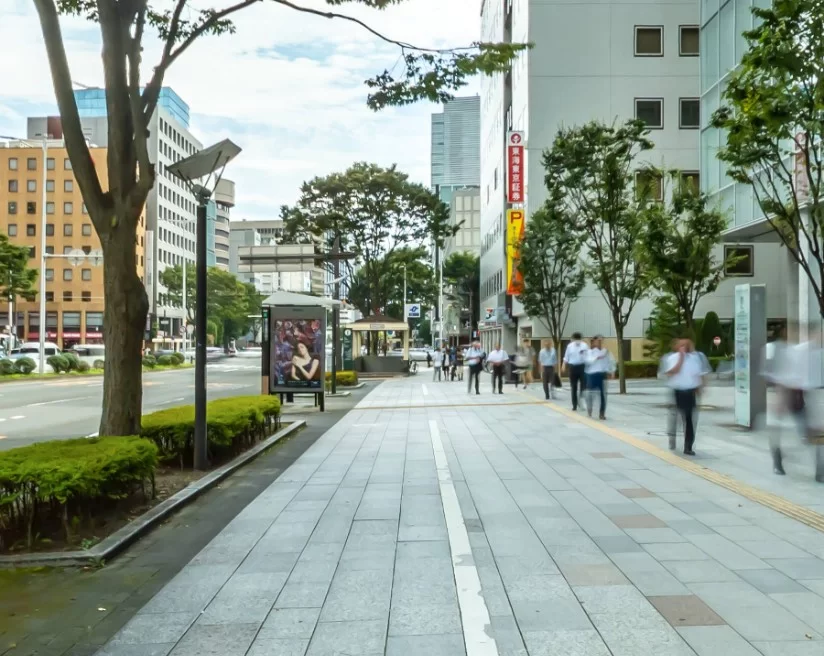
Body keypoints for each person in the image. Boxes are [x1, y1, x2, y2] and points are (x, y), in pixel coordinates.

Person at [664, 338, 707, 456]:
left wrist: (700, 388)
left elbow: (698, 374)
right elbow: (671, 372)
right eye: (681, 345)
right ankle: (672, 438)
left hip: (690, 391)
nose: (684, 347)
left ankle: (688, 446)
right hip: (677, 391)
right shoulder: (672, 358)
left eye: (686, 345)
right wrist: (681, 359)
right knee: (675, 416)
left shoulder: (694, 358)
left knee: (689, 419)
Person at [585, 336, 614, 420]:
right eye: (597, 341)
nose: (599, 343)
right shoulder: (589, 352)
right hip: (592, 375)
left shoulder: (606, 352)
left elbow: (611, 361)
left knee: (603, 395)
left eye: (601, 341)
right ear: (593, 342)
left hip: (602, 375)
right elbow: (587, 361)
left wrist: (612, 371)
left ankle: (602, 413)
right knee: (590, 394)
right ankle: (589, 408)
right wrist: (596, 357)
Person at [563, 332, 588, 411]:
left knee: (583, 386)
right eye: (575, 340)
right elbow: (566, 357)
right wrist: (563, 365)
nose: (577, 341)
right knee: (573, 387)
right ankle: (574, 405)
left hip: (582, 367)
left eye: (578, 340)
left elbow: (588, 356)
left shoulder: (585, 345)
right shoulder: (570, 346)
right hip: (572, 367)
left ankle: (581, 400)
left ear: (581, 339)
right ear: (573, 339)